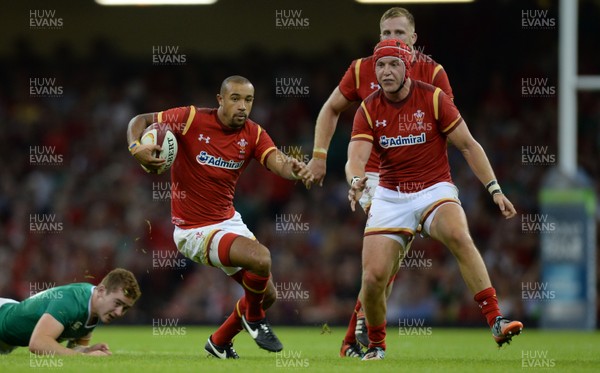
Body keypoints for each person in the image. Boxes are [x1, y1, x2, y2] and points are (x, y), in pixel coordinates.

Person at [346, 39, 523, 361]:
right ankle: (376, 345)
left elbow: (468, 146)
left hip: (434, 189)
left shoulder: (434, 98)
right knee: (372, 278)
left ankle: (496, 319)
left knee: (458, 234)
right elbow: (356, 156)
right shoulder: (368, 108)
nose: (386, 72)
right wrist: (357, 180)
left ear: (407, 67)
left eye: (393, 64)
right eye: (380, 66)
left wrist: (494, 189)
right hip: (390, 196)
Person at [126, 75, 314, 359]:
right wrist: (135, 147)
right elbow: (139, 120)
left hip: (228, 222)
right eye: (235, 99)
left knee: (267, 295)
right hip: (192, 230)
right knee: (261, 258)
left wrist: (293, 169)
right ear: (220, 100)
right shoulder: (190, 119)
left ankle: (220, 342)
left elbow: (276, 160)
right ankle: (255, 320)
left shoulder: (252, 133)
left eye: (248, 100)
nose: (242, 106)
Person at [306, 7, 454, 357]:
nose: (390, 40)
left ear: (414, 39)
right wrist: (319, 156)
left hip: (416, 178)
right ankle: (357, 338)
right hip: (374, 175)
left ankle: (355, 337)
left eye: (399, 33)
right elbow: (330, 108)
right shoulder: (362, 69)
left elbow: (450, 127)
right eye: (385, 33)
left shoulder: (432, 73)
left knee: (385, 266)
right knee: (383, 264)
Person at [0, 268, 141, 356]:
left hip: (7, 336)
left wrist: (87, 350)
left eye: (125, 308)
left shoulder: (94, 308)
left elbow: (71, 351)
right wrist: (84, 357)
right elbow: (38, 343)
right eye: (117, 303)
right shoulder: (71, 301)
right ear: (102, 291)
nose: (119, 312)